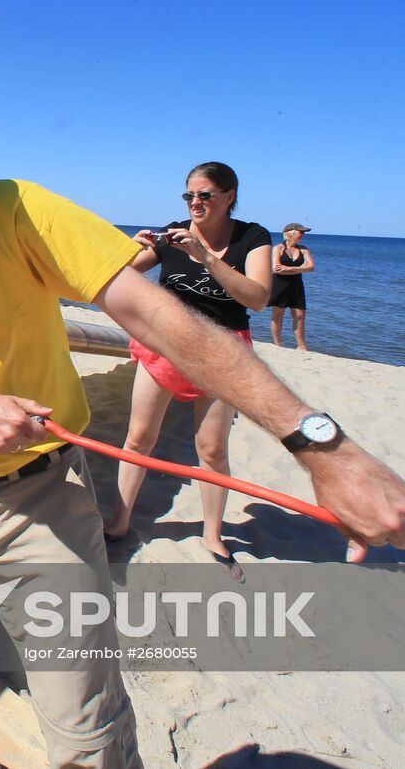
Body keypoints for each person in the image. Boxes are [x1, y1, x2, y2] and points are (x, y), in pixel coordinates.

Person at [0, 62, 405, 769]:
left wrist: (319, 444)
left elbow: (157, 316)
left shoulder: (16, 208)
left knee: (84, 733)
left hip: (44, 500)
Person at [102, 163, 273, 582]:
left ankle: (213, 536)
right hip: (166, 345)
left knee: (211, 448)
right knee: (139, 437)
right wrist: (128, 246)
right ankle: (119, 522)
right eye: (189, 196)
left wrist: (206, 259)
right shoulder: (175, 230)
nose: (195, 203)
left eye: (206, 195)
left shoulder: (253, 237)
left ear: (230, 196)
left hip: (223, 352)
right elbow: (120, 271)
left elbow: (258, 298)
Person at [268, 222, 314, 350]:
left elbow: (311, 267)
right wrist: (300, 268)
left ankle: (301, 346)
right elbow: (277, 269)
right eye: (301, 232)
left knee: (299, 316)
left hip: (296, 285)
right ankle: (277, 344)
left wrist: (288, 268)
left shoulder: (303, 249)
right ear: (290, 233)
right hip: (279, 284)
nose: (303, 235)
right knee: (277, 315)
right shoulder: (278, 248)